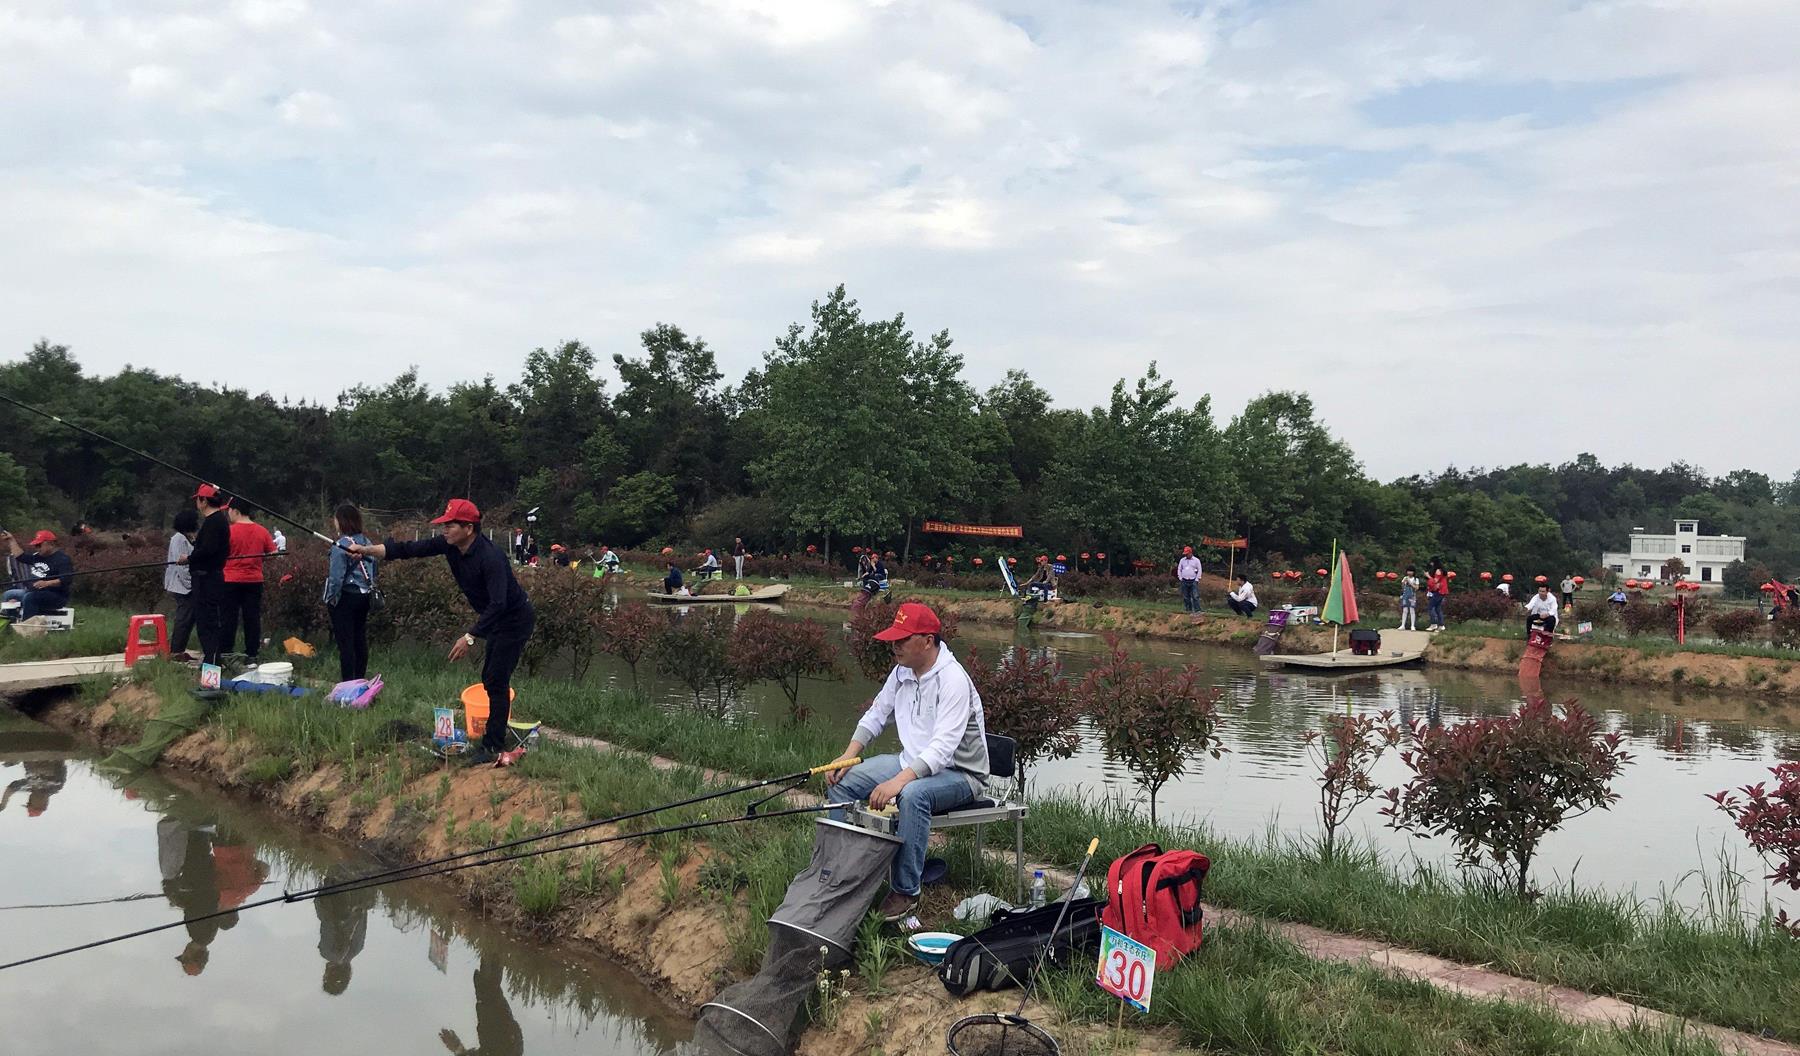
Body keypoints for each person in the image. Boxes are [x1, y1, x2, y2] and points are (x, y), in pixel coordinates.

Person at [825, 603, 989, 922]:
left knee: (913, 795)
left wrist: (899, 781)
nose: (894, 646)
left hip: (961, 774)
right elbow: (877, 713)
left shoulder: (953, 680)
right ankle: (837, 870)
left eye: (902, 639)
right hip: (911, 763)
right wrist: (848, 754)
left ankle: (905, 891)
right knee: (841, 782)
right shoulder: (902, 672)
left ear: (927, 641)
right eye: (893, 639)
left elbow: (942, 749)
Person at [348, 499, 534, 766]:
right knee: (491, 678)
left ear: (468, 528)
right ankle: (493, 736)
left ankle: (493, 745)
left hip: (514, 619)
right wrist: (364, 550)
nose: (444, 530)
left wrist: (469, 636)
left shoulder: (490, 557)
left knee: (496, 678)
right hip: (495, 619)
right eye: (444, 525)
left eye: (450, 525)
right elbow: (407, 549)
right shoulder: (450, 546)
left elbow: (499, 603)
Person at [323, 503, 376, 682]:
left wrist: (331, 599)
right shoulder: (367, 543)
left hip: (346, 597)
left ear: (342, 521)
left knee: (346, 643)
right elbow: (373, 568)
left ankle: (348, 682)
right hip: (364, 596)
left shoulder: (341, 545)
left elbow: (336, 578)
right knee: (360, 638)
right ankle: (360, 678)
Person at [221, 503, 277, 665]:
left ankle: (226, 653)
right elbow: (273, 552)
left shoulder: (229, 531)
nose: (228, 514)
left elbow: (220, 553)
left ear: (236, 511)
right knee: (252, 618)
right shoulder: (262, 531)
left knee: (228, 618)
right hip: (254, 580)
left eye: (229, 511)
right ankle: (252, 654)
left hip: (230, 580)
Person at [188, 485, 234, 667]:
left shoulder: (214, 522)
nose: (196, 503)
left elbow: (208, 550)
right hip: (210, 577)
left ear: (204, 500)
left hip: (207, 579)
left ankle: (212, 662)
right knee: (208, 621)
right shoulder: (218, 521)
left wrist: (189, 558)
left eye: (197, 499)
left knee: (207, 622)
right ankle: (213, 659)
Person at [315, 863, 375, 996]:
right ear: (327, 975)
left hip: (358, 893)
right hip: (341, 895)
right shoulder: (327, 952)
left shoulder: (357, 950)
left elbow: (362, 918)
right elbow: (328, 922)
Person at [1, 529, 74, 620]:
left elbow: (66, 580)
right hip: (32, 591)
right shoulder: (38, 556)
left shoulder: (63, 559)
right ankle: (11, 621)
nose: (37, 548)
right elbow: (20, 556)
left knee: (30, 597)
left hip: (56, 596)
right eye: (36, 545)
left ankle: (28, 626)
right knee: (9, 594)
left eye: (39, 545)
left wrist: (46, 583)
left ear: (50, 543)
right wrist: (11, 540)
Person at [164, 509, 201, 660]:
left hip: (186, 584)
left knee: (189, 617)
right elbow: (181, 564)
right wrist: (191, 584)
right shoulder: (178, 539)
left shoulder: (188, 537)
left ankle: (180, 649)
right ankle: (176, 651)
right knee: (184, 617)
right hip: (181, 585)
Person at [1424, 560, 1450, 632]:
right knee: (1438, 608)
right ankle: (1441, 625)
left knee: (1430, 607)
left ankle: (1433, 624)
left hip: (1439, 591)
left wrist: (1428, 576)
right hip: (1442, 591)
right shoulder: (1442, 571)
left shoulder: (1438, 571)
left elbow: (1435, 581)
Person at [1175, 545, 1202, 613]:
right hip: (1184, 580)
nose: (1186, 555)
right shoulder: (1182, 560)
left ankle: (1197, 610)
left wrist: (1197, 579)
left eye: (1187, 554)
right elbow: (1179, 569)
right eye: (1185, 554)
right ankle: (1188, 609)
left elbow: (1199, 570)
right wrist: (1180, 578)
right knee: (1186, 596)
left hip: (1193, 580)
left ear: (1190, 553)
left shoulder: (1196, 560)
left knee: (1195, 596)